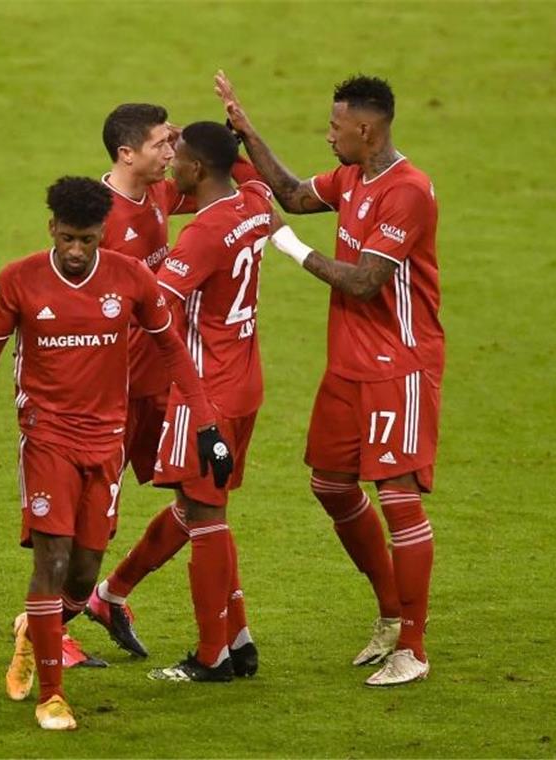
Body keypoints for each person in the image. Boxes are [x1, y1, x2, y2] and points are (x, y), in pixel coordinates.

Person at [0, 176, 233, 729]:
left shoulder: (131, 278)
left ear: (102, 234)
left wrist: (207, 424)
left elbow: (172, 348)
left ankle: (34, 628)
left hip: (105, 441)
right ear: (51, 230)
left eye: (86, 240)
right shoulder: (18, 280)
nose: (75, 251)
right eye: (66, 238)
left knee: (84, 576)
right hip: (46, 438)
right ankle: (53, 696)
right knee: (53, 558)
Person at [215, 71, 444, 686]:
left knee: (398, 498)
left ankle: (413, 650)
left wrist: (288, 248)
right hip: (346, 366)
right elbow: (289, 192)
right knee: (332, 485)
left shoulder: (408, 191)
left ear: (366, 130)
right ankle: (391, 615)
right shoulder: (353, 178)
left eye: (335, 128)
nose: (328, 137)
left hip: (399, 366)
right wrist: (245, 132)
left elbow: (367, 281)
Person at [84, 103, 261, 659]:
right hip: (113, 387)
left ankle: (112, 596)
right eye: (162, 142)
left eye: (175, 145)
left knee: (199, 503)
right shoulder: (96, 217)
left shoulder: (162, 193)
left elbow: (229, 180)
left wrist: (215, 142)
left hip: (167, 381)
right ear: (126, 153)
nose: (171, 151)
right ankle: (42, 627)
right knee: (92, 518)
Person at [136, 121, 275, 683]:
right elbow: (247, 173)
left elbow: (156, 304)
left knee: (204, 515)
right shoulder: (258, 204)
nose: (171, 165)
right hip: (246, 380)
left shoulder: (202, 235)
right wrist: (236, 132)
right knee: (209, 511)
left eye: (179, 160)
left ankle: (211, 653)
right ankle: (237, 640)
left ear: (196, 170)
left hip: (205, 389)